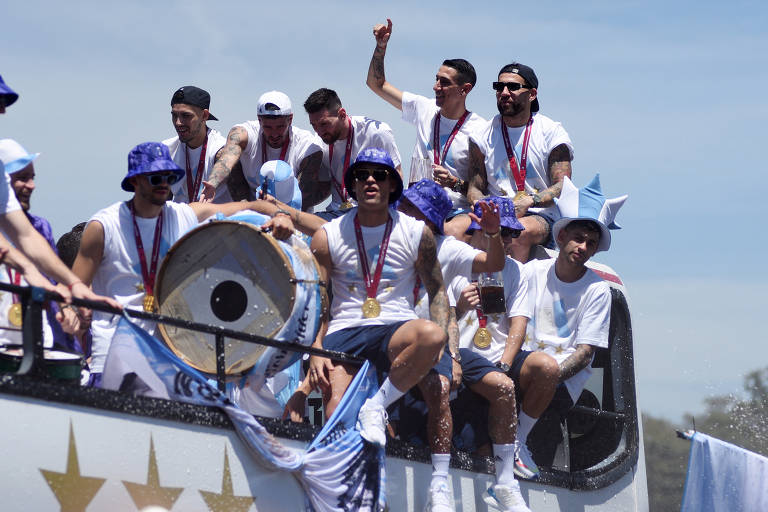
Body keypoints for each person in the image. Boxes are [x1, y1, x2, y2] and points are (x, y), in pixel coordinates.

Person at [72, 142, 297, 385]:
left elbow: (250, 205)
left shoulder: (183, 214)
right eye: (156, 178)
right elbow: (75, 286)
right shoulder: (103, 226)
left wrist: (280, 215)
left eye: (169, 176)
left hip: (168, 357)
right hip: (114, 355)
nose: (164, 185)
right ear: (135, 182)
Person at [308, 148, 455, 510]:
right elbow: (319, 300)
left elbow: (437, 289)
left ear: (393, 184)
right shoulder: (327, 236)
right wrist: (314, 348)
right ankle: (350, 492)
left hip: (395, 328)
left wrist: (451, 351)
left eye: (379, 174)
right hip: (345, 329)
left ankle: (438, 479)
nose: (370, 180)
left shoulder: (416, 232)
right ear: (352, 186)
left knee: (435, 349)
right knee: (336, 407)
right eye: (361, 175)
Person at [503, 175, 627, 478]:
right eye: (578, 238)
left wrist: (550, 378)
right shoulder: (532, 271)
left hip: (560, 384)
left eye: (591, 243)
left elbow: (585, 353)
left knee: (544, 368)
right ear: (561, 237)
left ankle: (519, 440)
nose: (583, 247)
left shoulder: (597, 290)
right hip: (523, 366)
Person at [447, 196, 532, 510]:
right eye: (500, 232)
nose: (507, 240)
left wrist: (506, 362)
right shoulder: (455, 260)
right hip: (457, 357)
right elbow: (433, 321)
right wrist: (459, 308)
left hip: (493, 364)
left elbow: (518, 324)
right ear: (476, 228)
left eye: (510, 233)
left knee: (483, 446)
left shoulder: (515, 271)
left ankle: (505, 479)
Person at [366, 19, 486, 232]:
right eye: (436, 79)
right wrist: (381, 47)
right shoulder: (423, 108)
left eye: (444, 82)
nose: (435, 86)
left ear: (464, 89)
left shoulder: (480, 130)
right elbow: (377, 84)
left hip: (453, 211)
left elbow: (483, 189)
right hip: (414, 202)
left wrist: (454, 182)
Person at [467, 63, 574, 263]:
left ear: (532, 94)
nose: (504, 93)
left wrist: (530, 201)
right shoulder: (480, 135)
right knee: (466, 233)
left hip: (541, 214)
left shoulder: (551, 132)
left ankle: (515, 293)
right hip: (496, 211)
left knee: (516, 234)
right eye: (499, 87)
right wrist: (483, 205)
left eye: (513, 87)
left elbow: (563, 186)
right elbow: (474, 187)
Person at [203, 91, 323, 208]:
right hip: (253, 210)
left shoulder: (307, 145)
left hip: (293, 212)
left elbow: (305, 198)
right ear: (259, 120)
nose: (274, 134)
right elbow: (227, 157)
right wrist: (213, 183)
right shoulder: (244, 132)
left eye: (280, 127)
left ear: (290, 119)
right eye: (268, 127)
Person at [304, 88, 402, 217]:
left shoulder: (377, 133)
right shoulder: (318, 143)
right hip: (336, 214)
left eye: (324, 124)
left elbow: (397, 176)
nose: (319, 131)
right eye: (314, 125)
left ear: (342, 114)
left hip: (372, 212)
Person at [162, 86, 230, 204]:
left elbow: (243, 202)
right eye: (174, 115)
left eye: (186, 116)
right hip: (181, 220)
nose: (178, 122)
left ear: (204, 115)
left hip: (217, 221)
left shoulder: (221, 151)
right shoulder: (166, 150)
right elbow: (160, 204)